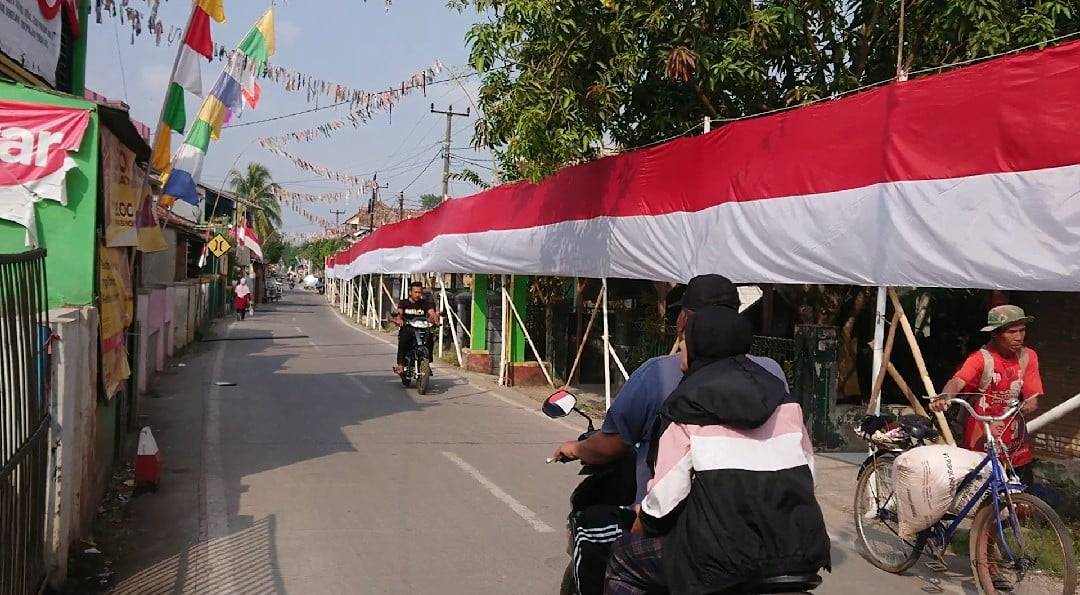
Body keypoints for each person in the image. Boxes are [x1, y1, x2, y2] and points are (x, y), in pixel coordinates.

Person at [604, 306, 830, 595]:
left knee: (623, 558)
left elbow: (663, 502)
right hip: (799, 552)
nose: (682, 345)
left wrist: (641, 519)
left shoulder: (686, 407)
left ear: (699, 345)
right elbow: (807, 477)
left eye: (686, 338)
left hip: (717, 561)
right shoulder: (785, 402)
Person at [550, 274, 788, 505]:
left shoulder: (658, 375)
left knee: (601, 529)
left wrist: (575, 448)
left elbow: (610, 446)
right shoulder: (771, 372)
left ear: (684, 320)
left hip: (672, 526)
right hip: (759, 518)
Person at [930, 304, 1042, 484]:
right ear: (995, 334)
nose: (1019, 337)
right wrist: (945, 397)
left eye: (1022, 330)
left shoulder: (1028, 357)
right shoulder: (980, 359)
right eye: (1012, 332)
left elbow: (1032, 396)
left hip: (1015, 443)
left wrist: (1030, 402)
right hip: (982, 439)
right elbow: (957, 381)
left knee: (1022, 503)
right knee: (984, 496)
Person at [392, 281, 439, 374]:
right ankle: (401, 365)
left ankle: (427, 363)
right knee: (403, 340)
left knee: (430, 338)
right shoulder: (404, 303)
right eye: (415, 292)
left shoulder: (425, 303)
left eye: (419, 292)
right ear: (411, 292)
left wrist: (436, 319)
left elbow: (432, 313)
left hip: (422, 328)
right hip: (408, 327)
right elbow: (399, 312)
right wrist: (399, 319)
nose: (418, 294)